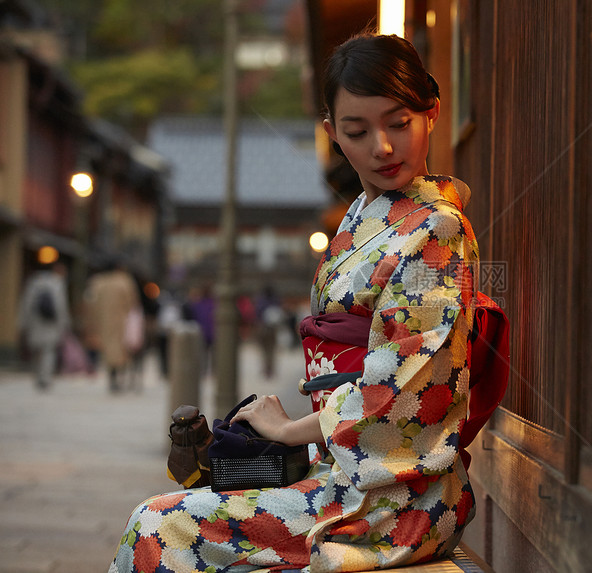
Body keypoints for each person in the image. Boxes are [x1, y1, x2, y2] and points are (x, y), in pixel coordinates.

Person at [111, 33, 483, 572]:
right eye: (357, 131)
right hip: (346, 466)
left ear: (432, 114)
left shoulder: (437, 231)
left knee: (159, 526)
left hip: (396, 496)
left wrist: (289, 431)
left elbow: (401, 386)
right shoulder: (361, 217)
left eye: (399, 123)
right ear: (333, 133)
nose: (381, 147)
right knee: (182, 506)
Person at [83, 258, 143, 392]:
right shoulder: (124, 281)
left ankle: (113, 377)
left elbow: (90, 304)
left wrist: (92, 322)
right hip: (122, 321)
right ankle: (124, 377)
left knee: (109, 351)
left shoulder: (96, 282)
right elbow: (133, 302)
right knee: (124, 351)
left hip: (103, 322)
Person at [17, 260, 71, 390]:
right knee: (48, 351)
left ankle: (38, 376)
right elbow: (60, 306)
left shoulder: (34, 282)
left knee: (36, 350)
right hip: (51, 324)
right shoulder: (57, 284)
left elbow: (26, 303)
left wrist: (22, 322)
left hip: (35, 322)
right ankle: (45, 378)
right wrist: (64, 324)